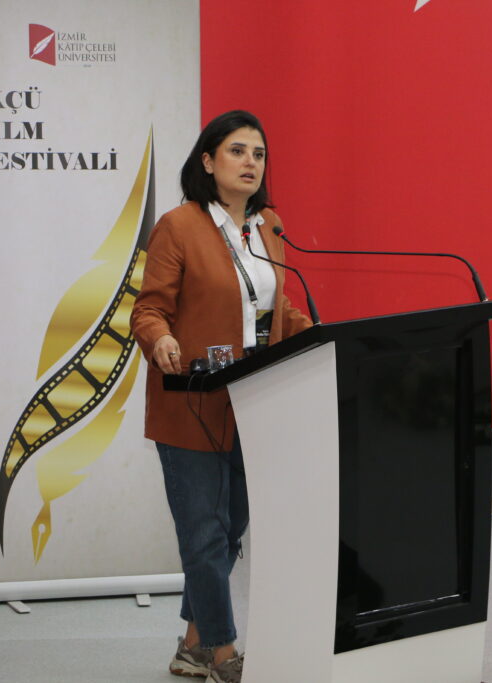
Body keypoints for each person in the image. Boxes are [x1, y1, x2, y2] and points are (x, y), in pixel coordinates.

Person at [130, 110, 313, 682]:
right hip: (193, 401)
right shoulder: (178, 226)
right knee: (204, 534)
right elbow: (149, 308)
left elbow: (273, 311)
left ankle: (192, 645)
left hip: (256, 402)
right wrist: (160, 340)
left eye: (259, 154)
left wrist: (321, 336)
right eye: (237, 151)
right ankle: (222, 653)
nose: (250, 163)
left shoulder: (269, 227)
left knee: (229, 530)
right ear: (207, 161)